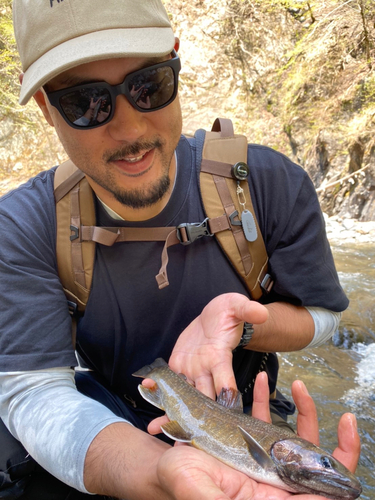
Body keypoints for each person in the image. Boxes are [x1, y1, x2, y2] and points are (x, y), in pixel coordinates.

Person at [0, 0, 360, 498]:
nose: (129, 130)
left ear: (177, 62)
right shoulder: (23, 226)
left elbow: (323, 314)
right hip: (108, 421)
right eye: (86, 103)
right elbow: (33, 392)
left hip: (245, 420)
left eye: (149, 86)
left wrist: (246, 323)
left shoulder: (272, 183)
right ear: (46, 108)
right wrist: (157, 474)